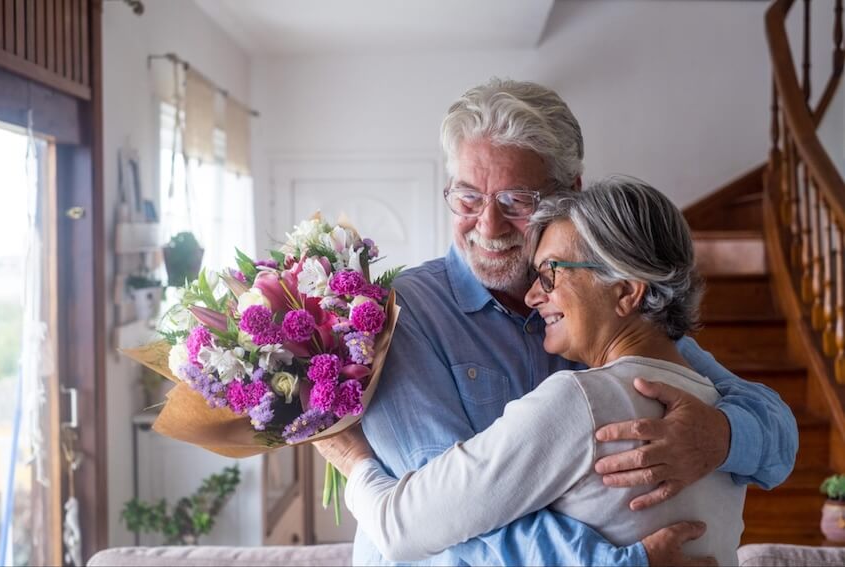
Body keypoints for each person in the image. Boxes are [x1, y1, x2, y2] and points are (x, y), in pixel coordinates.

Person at [337, 78, 797, 566]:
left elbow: (774, 429)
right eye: (469, 199)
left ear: (568, 195)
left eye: (516, 202)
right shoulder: (401, 312)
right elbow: (439, 522)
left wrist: (722, 435)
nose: (488, 226)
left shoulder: (615, 320)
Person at [317, 177, 746, 566]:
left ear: (625, 292)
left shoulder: (581, 402)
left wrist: (351, 459)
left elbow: (404, 529)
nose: (535, 295)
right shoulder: (714, 410)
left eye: (551, 273)